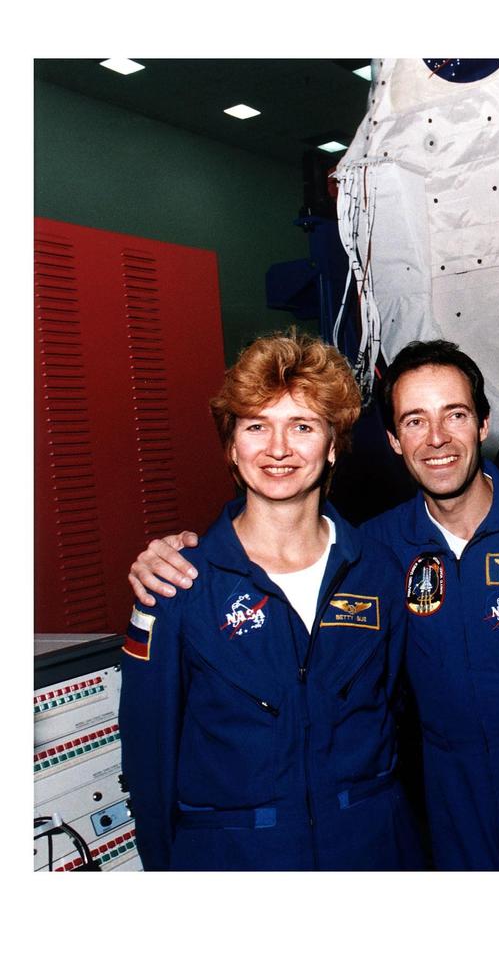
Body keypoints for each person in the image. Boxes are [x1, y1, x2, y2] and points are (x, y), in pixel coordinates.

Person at [129, 340, 499, 872]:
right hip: (451, 817)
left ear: (483, 425)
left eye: (455, 415)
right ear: (392, 440)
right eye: (415, 420)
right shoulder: (379, 551)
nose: (437, 439)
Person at [118, 332, 424, 871]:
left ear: (332, 446)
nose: (278, 449)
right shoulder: (177, 584)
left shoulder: (380, 573)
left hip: (370, 849)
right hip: (232, 859)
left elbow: (402, 717)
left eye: (302, 427)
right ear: (233, 448)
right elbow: (150, 756)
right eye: (257, 426)